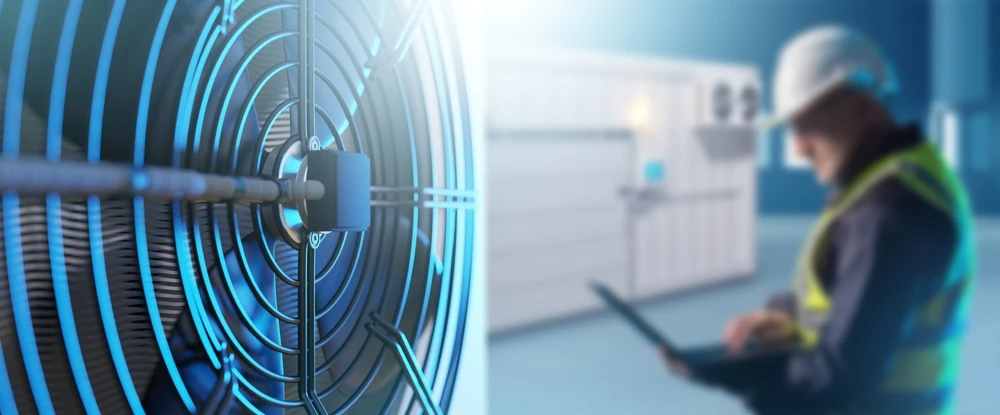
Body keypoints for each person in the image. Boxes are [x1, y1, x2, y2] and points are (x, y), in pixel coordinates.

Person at [661, 25, 976, 414]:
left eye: (808, 126)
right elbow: (842, 293)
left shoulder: (888, 211)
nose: (798, 148)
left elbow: (834, 381)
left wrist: (732, 374)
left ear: (861, 108)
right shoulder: (907, 175)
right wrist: (782, 316)